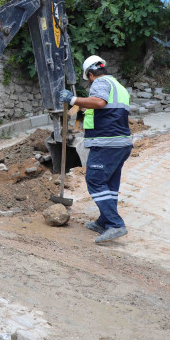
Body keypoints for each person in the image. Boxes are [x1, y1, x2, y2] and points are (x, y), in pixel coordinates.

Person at [60, 55, 132, 243]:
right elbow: (106, 110)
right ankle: (104, 220)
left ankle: (115, 224)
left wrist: (73, 98)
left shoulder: (100, 83)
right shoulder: (118, 87)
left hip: (107, 143)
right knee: (109, 184)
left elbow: (99, 103)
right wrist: (82, 110)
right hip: (121, 143)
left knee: (94, 179)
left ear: (91, 74)